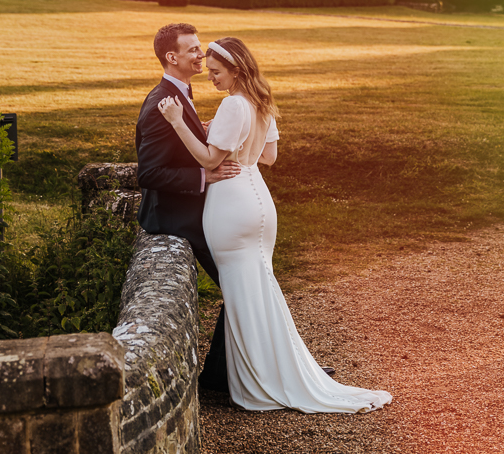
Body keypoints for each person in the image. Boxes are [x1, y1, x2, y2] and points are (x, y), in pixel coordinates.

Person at [156, 36, 391, 413]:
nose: (211, 77)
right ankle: (273, 369)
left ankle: (260, 379)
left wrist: (178, 122)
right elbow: (268, 156)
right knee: (259, 287)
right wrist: (223, 133)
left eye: (216, 72)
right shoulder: (260, 101)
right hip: (259, 202)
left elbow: (210, 160)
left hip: (231, 204)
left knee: (242, 293)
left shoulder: (233, 104)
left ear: (235, 70)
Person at [135, 22, 240, 391]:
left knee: (245, 280)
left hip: (193, 211)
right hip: (177, 217)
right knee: (240, 281)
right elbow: (148, 173)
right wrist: (204, 177)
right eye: (193, 49)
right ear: (172, 57)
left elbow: (178, 145)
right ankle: (222, 378)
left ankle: (234, 373)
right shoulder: (159, 104)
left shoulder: (179, 91)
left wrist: (203, 131)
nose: (201, 54)